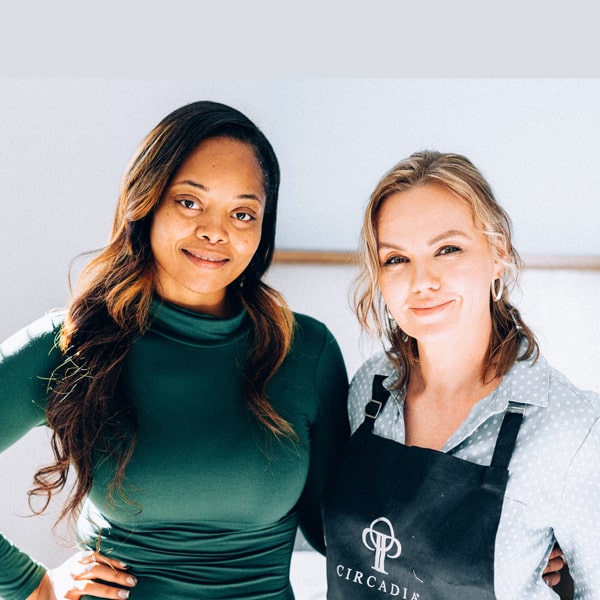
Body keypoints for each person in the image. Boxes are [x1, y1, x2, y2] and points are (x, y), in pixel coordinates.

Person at [0, 100, 350, 599]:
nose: (215, 231)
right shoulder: (73, 343)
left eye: (242, 213)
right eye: (189, 202)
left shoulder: (306, 352)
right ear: (146, 203)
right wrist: (32, 585)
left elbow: (338, 533)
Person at [322, 150, 599, 598]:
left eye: (447, 250)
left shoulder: (571, 428)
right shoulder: (370, 390)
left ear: (498, 253)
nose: (422, 281)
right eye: (396, 259)